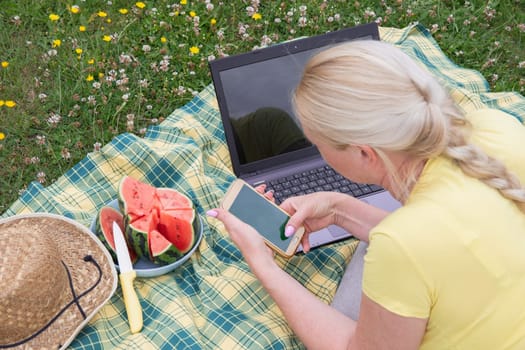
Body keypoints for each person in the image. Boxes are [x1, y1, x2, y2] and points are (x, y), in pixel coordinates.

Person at [207, 39, 525, 349]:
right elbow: (448, 244)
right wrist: (339, 209)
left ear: (365, 154)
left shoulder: (400, 246)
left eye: (317, 143)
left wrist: (263, 264)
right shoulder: (498, 127)